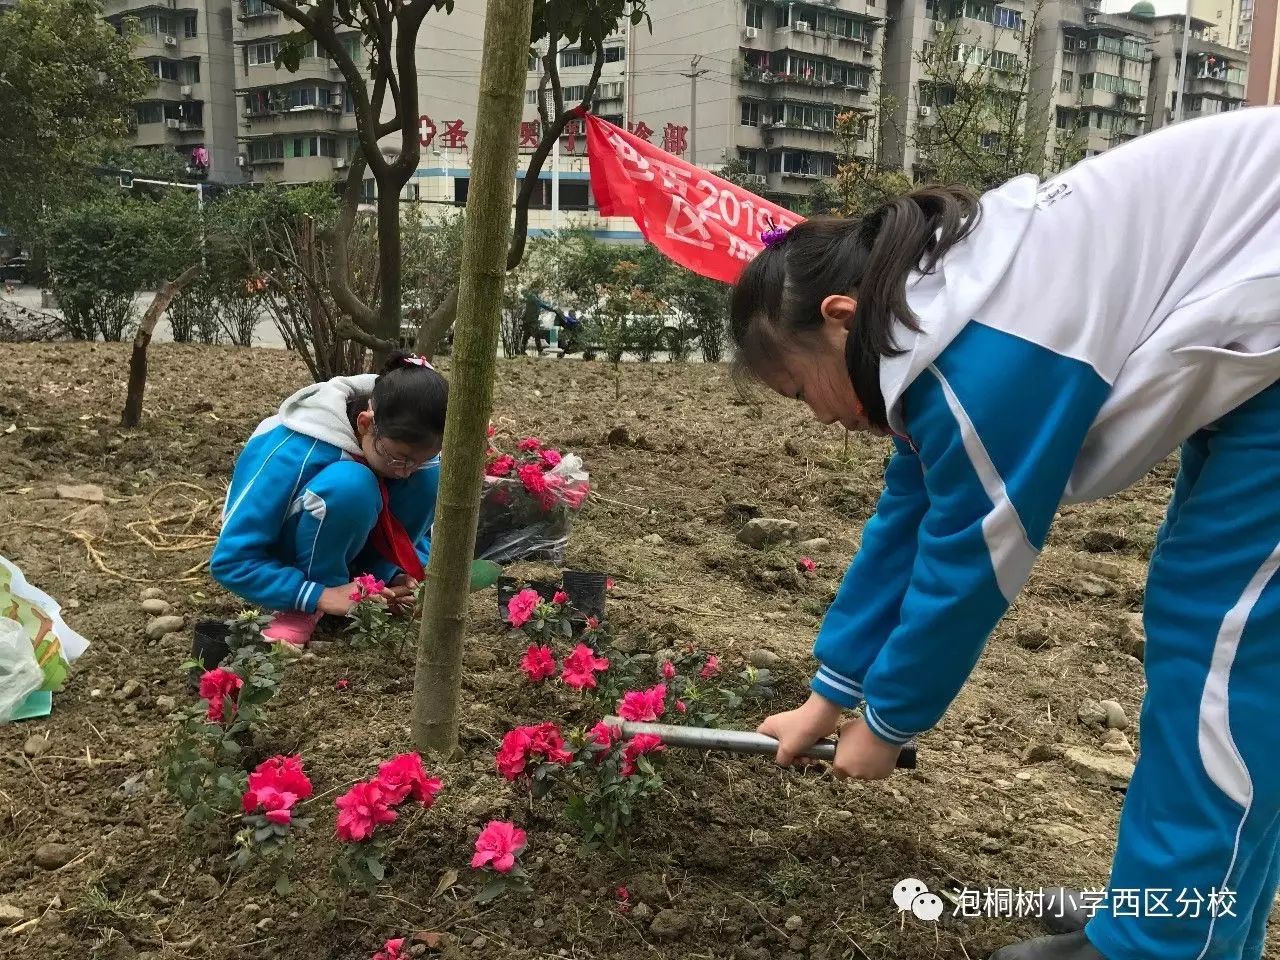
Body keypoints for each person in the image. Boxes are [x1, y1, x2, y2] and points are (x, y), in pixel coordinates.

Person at [738, 106, 1280, 960]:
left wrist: (886, 724)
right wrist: (829, 694)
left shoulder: (979, 355)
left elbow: (972, 562)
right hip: (1257, 338)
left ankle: (1160, 943)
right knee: (1224, 634)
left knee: (1222, 638)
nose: (819, 418)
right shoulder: (938, 316)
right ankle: (1184, 924)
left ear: (841, 318)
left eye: (800, 393)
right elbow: (908, 517)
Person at [210, 351, 447, 648]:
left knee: (430, 479)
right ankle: (304, 606)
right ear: (365, 423)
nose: (406, 472)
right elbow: (232, 560)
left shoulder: (408, 452)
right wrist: (320, 594)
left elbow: (419, 529)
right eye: (399, 459)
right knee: (352, 485)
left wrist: (400, 571)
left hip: (354, 546)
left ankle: (374, 582)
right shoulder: (294, 451)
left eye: (419, 460)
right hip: (296, 560)